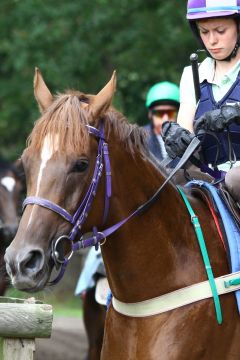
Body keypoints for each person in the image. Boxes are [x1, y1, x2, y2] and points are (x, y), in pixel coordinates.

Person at [162, 0, 240, 203]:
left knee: (235, 178)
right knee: (166, 178)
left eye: (220, 31)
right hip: (210, 174)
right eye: (204, 32)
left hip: (236, 179)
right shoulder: (192, 74)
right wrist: (176, 136)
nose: (212, 40)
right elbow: (186, 127)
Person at [145, 81, 180, 160]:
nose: (165, 119)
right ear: (150, 114)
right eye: (159, 113)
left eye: (171, 113)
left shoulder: (187, 140)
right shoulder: (139, 142)